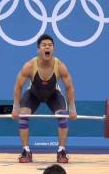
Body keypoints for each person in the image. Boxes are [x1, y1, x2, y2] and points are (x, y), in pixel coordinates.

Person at [12, 34, 77, 163]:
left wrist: (72, 108)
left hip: (53, 95)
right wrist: (16, 107)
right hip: (33, 95)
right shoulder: (30, 66)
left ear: (53, 49)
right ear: (38, 49)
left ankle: (61, 151)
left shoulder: (60, 66)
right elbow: (18, 86)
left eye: (50, 45)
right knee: (23, 115)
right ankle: (26, 151)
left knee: (62, 116)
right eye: (44, 45)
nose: (47, 47)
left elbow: (69, 87)